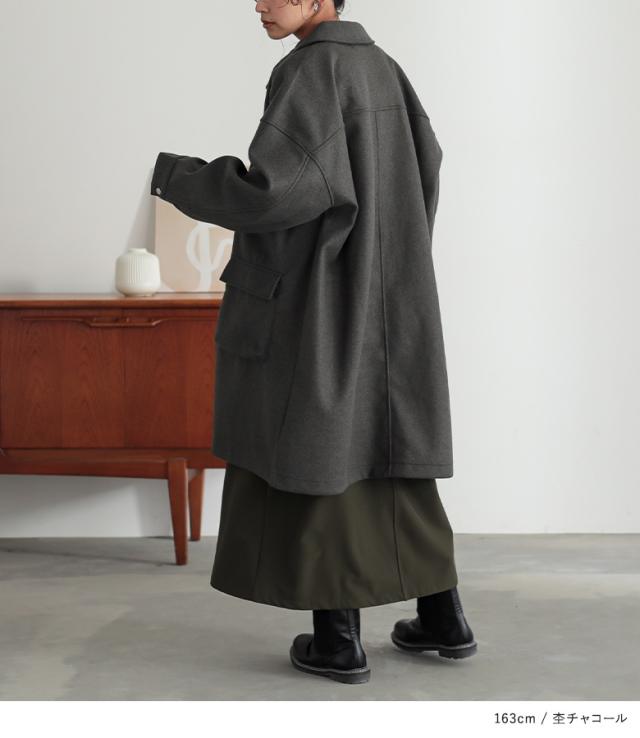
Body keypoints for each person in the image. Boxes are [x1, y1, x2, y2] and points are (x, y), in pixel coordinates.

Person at [151, 0, 477, 686]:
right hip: (389, 296)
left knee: (314, 454)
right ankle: (443, 618)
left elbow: (276, 192)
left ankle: (338, 641)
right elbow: (427, 168)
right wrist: (391, 254)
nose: (260, 4)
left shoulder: (310, 69)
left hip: (319, 300)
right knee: (388, 459)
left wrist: (179, 177)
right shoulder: (382, 67)